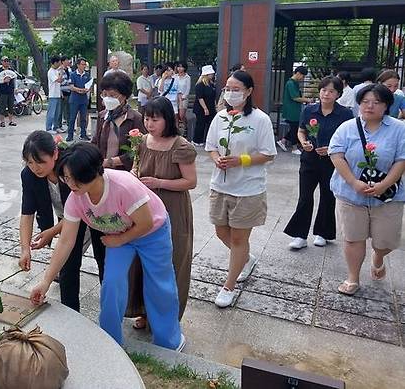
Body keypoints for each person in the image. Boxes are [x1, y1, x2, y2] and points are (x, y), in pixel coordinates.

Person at [30, 143, 185, 351]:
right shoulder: (76, 198)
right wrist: (46, 281)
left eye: (75, 178)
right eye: (66, 177)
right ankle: (111, 340)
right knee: (111, 283)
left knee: (159, 284)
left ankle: (170, 341)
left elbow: (146, 223)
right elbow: (66, 241)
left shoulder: (123, 186)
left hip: (151, 232)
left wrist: (121, 240)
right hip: (117, 235)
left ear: (95, 172)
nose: (70, 184)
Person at [205, 70, 277, 308]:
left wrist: (241, 160)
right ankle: (245, 259)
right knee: (221, 232)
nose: (231, 93)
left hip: (248, 188)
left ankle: (229, 285)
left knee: (238, 237)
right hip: (221, 185)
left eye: (236, 89)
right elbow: (211, 146)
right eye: (228, 88)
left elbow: (268, 154)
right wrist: (217, 158)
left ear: (248, 91)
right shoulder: (221, 118)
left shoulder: (260, 119)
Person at [126, 96, 197, 329]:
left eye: (155, 119)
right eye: (147, 118)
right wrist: (134, 177)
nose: (149, 124)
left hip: (172, 210)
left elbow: (190, 182)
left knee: (172, 262)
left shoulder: (181, 146)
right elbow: (136, 167)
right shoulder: (142, 142)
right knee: (144, 261)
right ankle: (144, 311)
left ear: (167, 119)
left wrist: (158, 182)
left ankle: (167, 318)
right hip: (145, 209)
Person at [328, 83, 405, 296]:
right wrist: (354, 182)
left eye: (376, 102)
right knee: (353, 237)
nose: (369, 106)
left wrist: (383, 185)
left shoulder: (399, 129)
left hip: (388, 196)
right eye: (365, 102)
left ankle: (378, 257)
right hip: (351, 193)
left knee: (386, 241)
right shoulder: (347, 128)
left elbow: (401, 160)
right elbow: (336, 155)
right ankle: (353, 277)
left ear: (386, 105)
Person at [19, 131, 105, 311]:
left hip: (93, 212)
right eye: (30, 162)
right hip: (67, 217)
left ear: (55, 154)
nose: (36, 168)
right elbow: (27, 212)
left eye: (40, 161)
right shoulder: (28, 175)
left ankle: (111, 304)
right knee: (67, 266)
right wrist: (25, 248)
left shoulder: (70, 169)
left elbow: (78, 213)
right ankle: (71, 312)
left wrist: (52, 231)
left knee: (103, 259)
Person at [284, 76, 353, 249]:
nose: (326, 94)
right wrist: (303, 142)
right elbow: (301, 131)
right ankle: (299, 235)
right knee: (305, 197)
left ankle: (323, 232)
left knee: (327, 197)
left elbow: (349, 139)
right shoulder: (309, 110)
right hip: (309, 160)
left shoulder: (345, 114)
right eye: (324, 90)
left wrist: (331, 148)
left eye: (331, 91)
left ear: (338, 94)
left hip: (332, 162)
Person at [93, 71, 145, 171]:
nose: (108, 99)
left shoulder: (134, 118)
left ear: (124, 96)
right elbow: (95, 142)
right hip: (101, 171)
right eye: (105, 95)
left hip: (124, 174)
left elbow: (139, 150)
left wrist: (112, 162)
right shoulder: (103, 116)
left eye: (112, 95)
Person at [277, 66, 311, 155]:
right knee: (295, 128)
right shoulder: (291, 84)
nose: (303, 79)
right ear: (298, 73)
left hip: (294, 110)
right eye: (303, 76)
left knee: (294, 128)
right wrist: (307, 100)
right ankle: (294, 147)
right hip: (292, 111)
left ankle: (283, 141)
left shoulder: (294, 83)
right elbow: (295, 97)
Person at [67, 58, 91, 142]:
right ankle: (70, 135)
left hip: (83, 99)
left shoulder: (87, 75)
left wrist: (87, 90)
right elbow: (71, 86)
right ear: (78, 65)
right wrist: (79, 90)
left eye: (85, 64)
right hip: (75, 99)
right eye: (82, 64)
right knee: (72, 118)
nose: (84, 66)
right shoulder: (73, 74)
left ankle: (83, 134)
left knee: (83, 117)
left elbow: (89, 85)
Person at [192, 65, 216, 147]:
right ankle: (197, 140)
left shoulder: (211, 84)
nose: (212, 75)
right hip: (201, 108)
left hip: (211, 107)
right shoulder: (200, 85)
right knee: (200, 124)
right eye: (211, 74)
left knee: (209, 124)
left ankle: (207, 139)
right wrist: (205, 108)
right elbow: (200, 97)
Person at [0, 56, 18, 127]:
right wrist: (3, 81)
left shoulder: (12, 70)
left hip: (10, 91)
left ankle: (11, 121)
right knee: (3, 106)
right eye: (5, 61)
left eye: (8, 61)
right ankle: (2, 122)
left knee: (11, 106)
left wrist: (16, 88)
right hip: (2, 91)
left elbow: (15, 80)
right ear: (2, 62)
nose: (6, 62)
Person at [46, 56, 64, 133]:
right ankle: (48, 128)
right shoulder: (51, 72)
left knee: (57, 113)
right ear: (55, 62)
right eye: (59, 62)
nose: (60, 64)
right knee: (51, 113)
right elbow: (59, 80)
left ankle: (55, 127)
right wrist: (61, 73)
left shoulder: (56, 71)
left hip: (57, 94)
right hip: (52, 95)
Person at [175, 62, 191, 136]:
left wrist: (183, 96)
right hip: (175, 97)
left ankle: (186, 127)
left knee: (181, 115)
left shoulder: (187, 77)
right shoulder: (175, 77)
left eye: (181, 67)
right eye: (178, 67)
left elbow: (188, 89)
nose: (180, 69)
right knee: (176, 115)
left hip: (183, 97)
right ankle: (177, 130)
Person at [58, 56, 72, 130]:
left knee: (69, 110)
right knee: (61, 110)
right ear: (63, 61)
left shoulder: (69, 69)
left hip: (69, 92)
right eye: (66, 60)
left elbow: (71, 78)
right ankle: (59, 125)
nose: (68, 61)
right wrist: (69, 83)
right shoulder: (60, 70)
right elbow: (61, 81)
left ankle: (70, 125)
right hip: (63, 92)